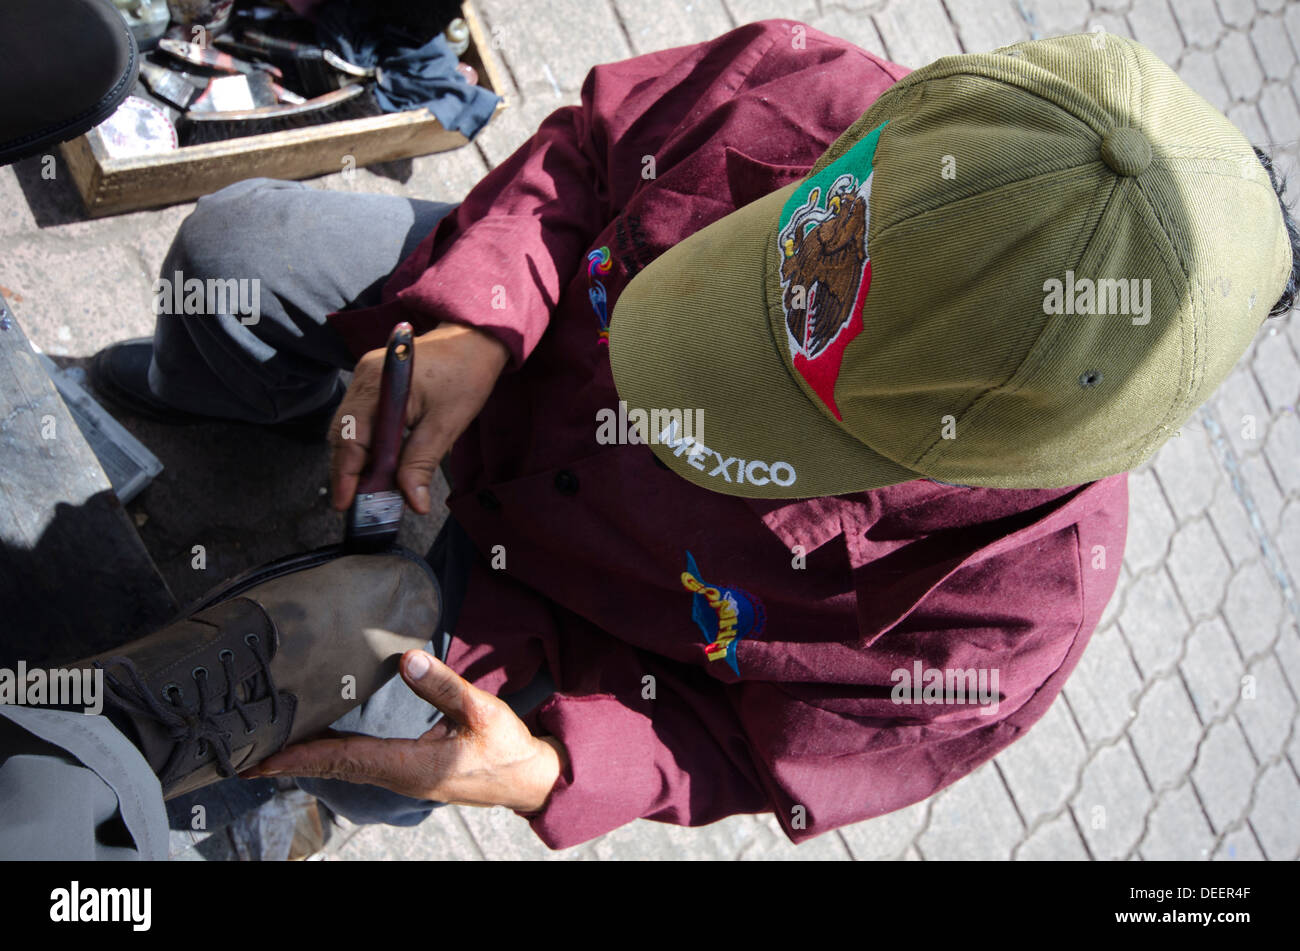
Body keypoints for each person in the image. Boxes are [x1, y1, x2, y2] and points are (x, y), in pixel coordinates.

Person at [4, 21, 1297, 859]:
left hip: (545, 615)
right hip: (506, 373)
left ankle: (282, 792)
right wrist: (479, 318)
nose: (682, 418)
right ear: (866, 154)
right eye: (751, 323)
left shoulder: (997, 624)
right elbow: (579, 158)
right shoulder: (798, 81)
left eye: (795, 426)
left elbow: (740, 753)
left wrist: (547, 769)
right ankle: (162, 419)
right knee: (246, 258)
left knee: (394, 717)